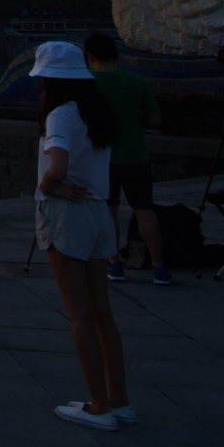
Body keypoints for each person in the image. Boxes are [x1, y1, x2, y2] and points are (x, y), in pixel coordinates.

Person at [30, 40, 130, 431]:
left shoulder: (59, 116)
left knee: (79, 316)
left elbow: (58, 166)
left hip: (68, 214)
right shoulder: (96, 112)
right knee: (102, 311)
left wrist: (49, 185)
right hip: (99, 210)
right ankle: (119, 398)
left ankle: (98, 406)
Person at [82, 34, 169, 284]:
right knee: (144, 210)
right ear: (117, 55)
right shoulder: (136, 81)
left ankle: (114, 262)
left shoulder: (87, 83)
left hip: (101, 158)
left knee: (109, 210)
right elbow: (156, 120)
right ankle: (159, 265)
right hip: (136, 156)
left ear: (90, 57)